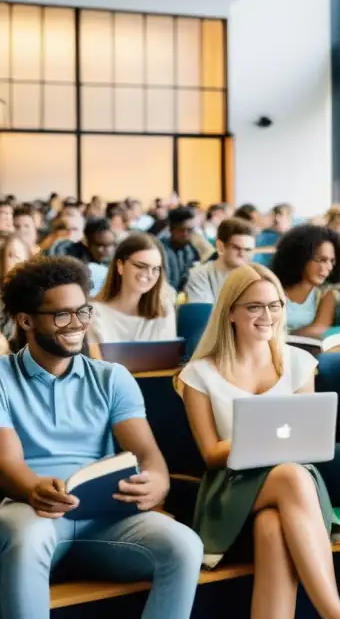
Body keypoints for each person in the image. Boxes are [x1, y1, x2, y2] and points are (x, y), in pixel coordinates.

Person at [0, 257, 203, 618]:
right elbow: (8, 462)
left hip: (105, 518)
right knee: (28, 537)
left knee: (184, 545)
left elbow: (146, 452)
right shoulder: (2, 376)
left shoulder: (112, 377)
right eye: (62, 315)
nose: (77, 324)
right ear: (26, 320)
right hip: (32, 511)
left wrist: (158, 481)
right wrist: (34, 489)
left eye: (83, 311)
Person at [178, 265, 340, 619]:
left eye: (275, 306)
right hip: (230, 487)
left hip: (296, 489)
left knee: (272, 524)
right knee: (290, 475)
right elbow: (211, 454)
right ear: (231, 314)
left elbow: (310, 441)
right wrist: (261, 439)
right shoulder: (198, 374)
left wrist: (270, 442)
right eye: (254, 307)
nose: (267, 315)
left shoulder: (300, 362)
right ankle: (336, 614)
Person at [91, 233, 176, 343]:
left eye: (155, 269)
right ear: (120, 266)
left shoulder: (164, 311)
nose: (149, 275)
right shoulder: (95, 313)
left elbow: (167, 357)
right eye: (141, 266)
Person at [270, 225, 340, 337]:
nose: (329, 267)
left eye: (332, 261)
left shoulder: (327, 295)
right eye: (321, 260)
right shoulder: (271, 288)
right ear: (300, 256)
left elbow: (318, 330)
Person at [184, 218, 257, 304]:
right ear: (220, 247)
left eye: (248, 250)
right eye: (236, 248)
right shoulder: (199, 275)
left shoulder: (256, 276)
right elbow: (205, 315)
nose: (242, 254)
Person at [64, 217, 117, 296]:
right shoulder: (75, 263)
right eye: (100, 245)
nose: (107, 250)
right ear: (87, 242)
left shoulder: (116, 260)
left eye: (110, 244)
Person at [159, 207, 201, 293]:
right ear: (171, 229)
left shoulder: (191, 249)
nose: (187, 234)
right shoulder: (159, 250)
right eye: (182, 230)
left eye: (191, 230)